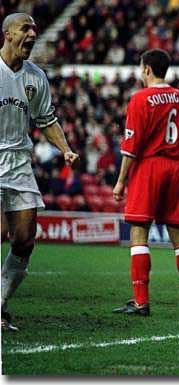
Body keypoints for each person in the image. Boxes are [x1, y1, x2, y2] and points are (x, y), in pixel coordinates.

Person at [0, 13, 80, 331]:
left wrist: (65, 149)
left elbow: (46, 119)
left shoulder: (36, 77)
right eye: (25, 28)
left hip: (19, 162)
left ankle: (1, 303)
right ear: (7, 33)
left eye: (35, 29)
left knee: (24, 241)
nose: (32, 34)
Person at [112, 49, 179, 317]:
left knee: (139, 234)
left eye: (141, 68)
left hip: (149, 166)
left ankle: (141, 302)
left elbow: (131, 146)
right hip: (176, 167)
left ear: (147, 69)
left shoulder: (140, 98)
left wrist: (120, 182)